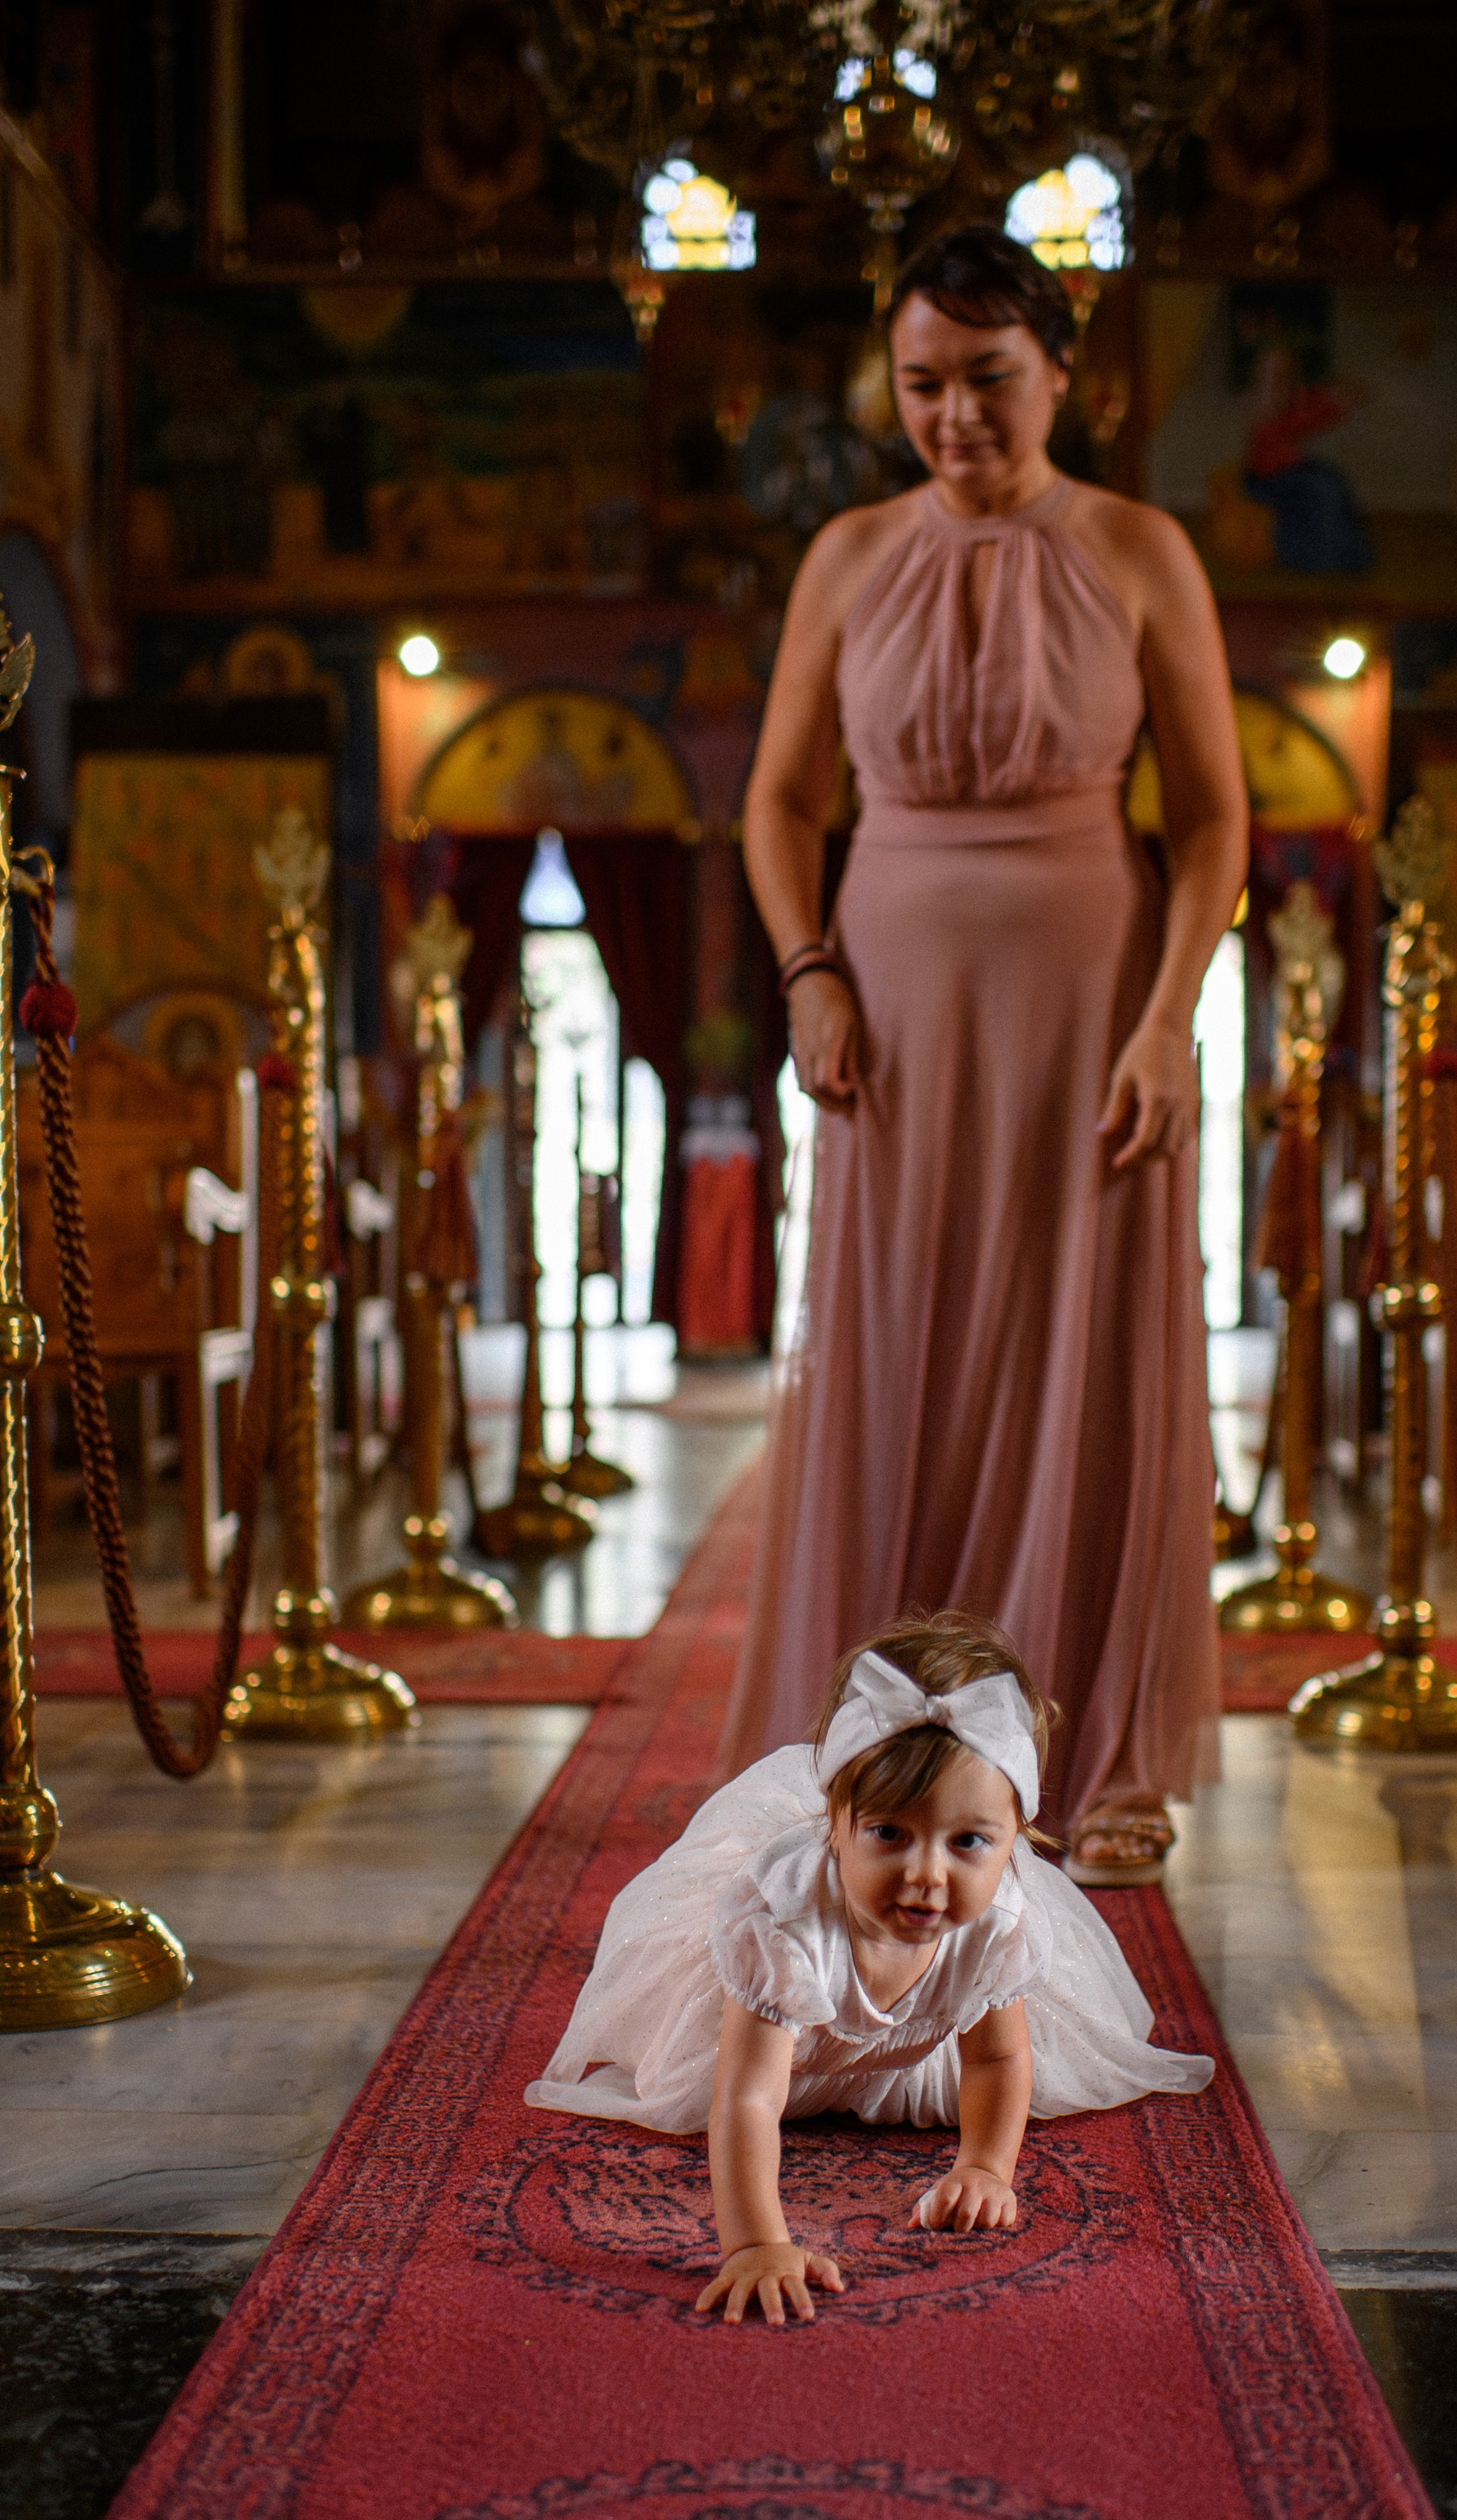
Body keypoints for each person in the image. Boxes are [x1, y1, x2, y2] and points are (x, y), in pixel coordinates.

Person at [716, 223, 1250, 1882]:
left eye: (987, 380)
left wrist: (1167, 1020)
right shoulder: (846, 552)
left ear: (1061, 373)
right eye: (920, 383)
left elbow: (1217, 812)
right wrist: (805, 971)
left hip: (1091, 993)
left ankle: (1084, 1752)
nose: (953, 417)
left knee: (1081, 1350)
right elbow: (781, 798)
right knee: (900, 1347)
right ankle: (889, 1741)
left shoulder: (1139, 545)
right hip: (885, 998)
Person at [526, 1609, 1214, 2326]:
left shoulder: (996, 1921)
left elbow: (997, 2057)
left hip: (915, 2047)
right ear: (837, 1824)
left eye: (968, 1841)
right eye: (889, 1832)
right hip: (779, 2041)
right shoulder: (786, 1926)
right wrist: (758, 2242)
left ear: (1016, 1838)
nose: (926, 1873)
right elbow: (749, 2097)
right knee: (686, 2070)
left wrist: (984, 2164)